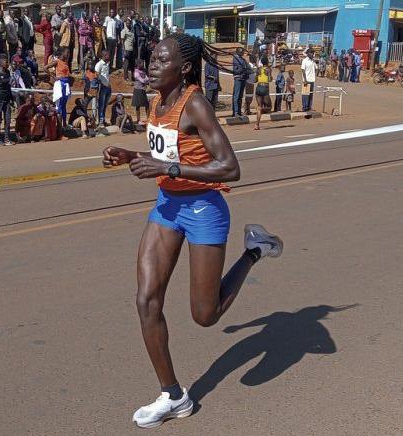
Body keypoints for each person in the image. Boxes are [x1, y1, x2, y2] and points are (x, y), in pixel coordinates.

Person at [101, 33, 283, 429]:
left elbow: (230, 167)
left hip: (204, 210)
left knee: (205, 315)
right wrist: (132, 156)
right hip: (167, 206)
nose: (151, 65)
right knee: (146, 301)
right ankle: (173, 395)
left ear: (183, 68)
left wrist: (167, 170)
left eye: (160, 60)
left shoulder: (195, 104)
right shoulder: (157, 100)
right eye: (151, 58)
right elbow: (170, 155)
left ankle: (254, 250)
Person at [45, 47, 71, 125]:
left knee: (64, 105)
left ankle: (64, 124)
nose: (68, 55)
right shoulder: (56, 61)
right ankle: (59, 126)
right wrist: (54, 77)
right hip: (60, 84)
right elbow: (45, 68)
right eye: (67, 53)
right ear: (62, 53)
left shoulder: (66, 62)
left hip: (66, 85)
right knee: (59, 105)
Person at [253, 57, 271, 130]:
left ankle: (257, 124)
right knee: (269, 107)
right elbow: (269, 79)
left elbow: (255, 80)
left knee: (259, 106)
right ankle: (261, 110)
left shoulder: (258, 69)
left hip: (258, 87)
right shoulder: (268, 69)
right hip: (265, 88)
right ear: (267, 62)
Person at [95, 49, 111, 127]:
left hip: (108, 86)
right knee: (101, 104)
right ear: (104, 55)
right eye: (107, 55)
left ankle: (103, 119)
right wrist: (102, 83)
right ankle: (100, 121)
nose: (109, 56)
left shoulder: (107, 63)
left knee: (105, 105)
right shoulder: (99, 64)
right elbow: (97, 75)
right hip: (103, 87)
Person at [132, 59, 149, 125]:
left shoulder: (144, 70)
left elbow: (147, 78)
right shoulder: (136, 72)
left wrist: (146, 80)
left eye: (143, 63)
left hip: (143, 89)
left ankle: (148, 119)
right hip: (138, 89)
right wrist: (146, 80)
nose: (143, 64)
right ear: (138, 64)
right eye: (142, 63)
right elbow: (143, 80)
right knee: (138, 105)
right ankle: (138, 120)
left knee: (146, 105)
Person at [231, 47, 247, 117]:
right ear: (239, 52)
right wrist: (243, 69)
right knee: (236, 96)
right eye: (242, 52)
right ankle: (236, 112)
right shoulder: (236, 59)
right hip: (238, 79)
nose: (243, 53)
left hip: (243, 79)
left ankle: (239, 111)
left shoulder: (243, 59)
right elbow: (235, 70)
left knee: (240, 96)